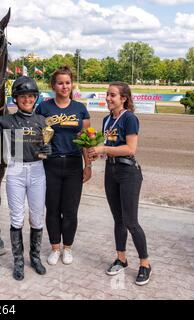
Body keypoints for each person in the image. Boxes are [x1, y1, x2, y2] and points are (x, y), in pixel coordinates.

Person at [0, 76, 50, 281]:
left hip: (38, 171)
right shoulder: (5, 121)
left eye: (31, 96)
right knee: (16, 218)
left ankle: (35, 257)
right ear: (15, 99)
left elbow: (46, 147)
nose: (27, 99)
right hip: (16, 171)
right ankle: (18, 261)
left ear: (36, 98)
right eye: (23, 96)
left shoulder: (42, 121)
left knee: (37, 217)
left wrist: (48, 149)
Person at [88, 82, 151, 286]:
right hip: (111, 171)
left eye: (112, 95)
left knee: (131, 221)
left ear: (123, 98)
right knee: (118, 220)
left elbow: (130, 149)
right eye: (107, 94)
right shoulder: (106, 120)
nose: (108, 98)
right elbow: (109, 147)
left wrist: (103, 149)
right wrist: (97, 153)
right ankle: (121, 259)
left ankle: (145, 264)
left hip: (128, 172)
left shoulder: (130, 118)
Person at [35, 66, 92, 266]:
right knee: (52, 208)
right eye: (60, 83)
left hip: (74, 164)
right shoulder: (43, 108)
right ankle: (54, 248)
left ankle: (67, 248)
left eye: (67, 82)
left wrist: (88, 165)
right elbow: (37, 137)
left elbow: (85, 140)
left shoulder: (80, 109)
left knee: (70, 210)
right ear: (53, 85)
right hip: (50, 164)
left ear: (72, 84)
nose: (64, 86)